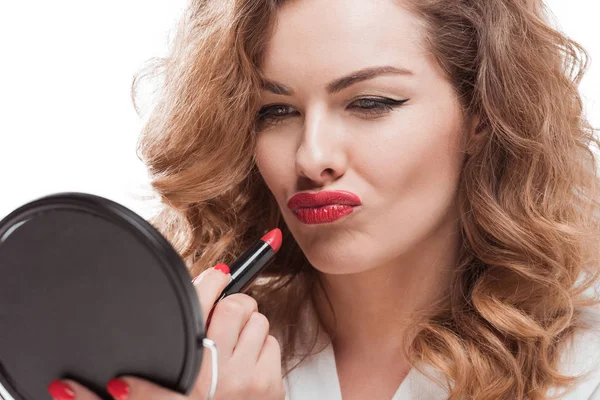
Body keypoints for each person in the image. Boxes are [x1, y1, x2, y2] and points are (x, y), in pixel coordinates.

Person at [46, 0, 600, 399]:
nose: (311, 157)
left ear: (482, 115)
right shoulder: (201, 362)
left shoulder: (586, 362)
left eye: (371, 102)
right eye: (276, 112)